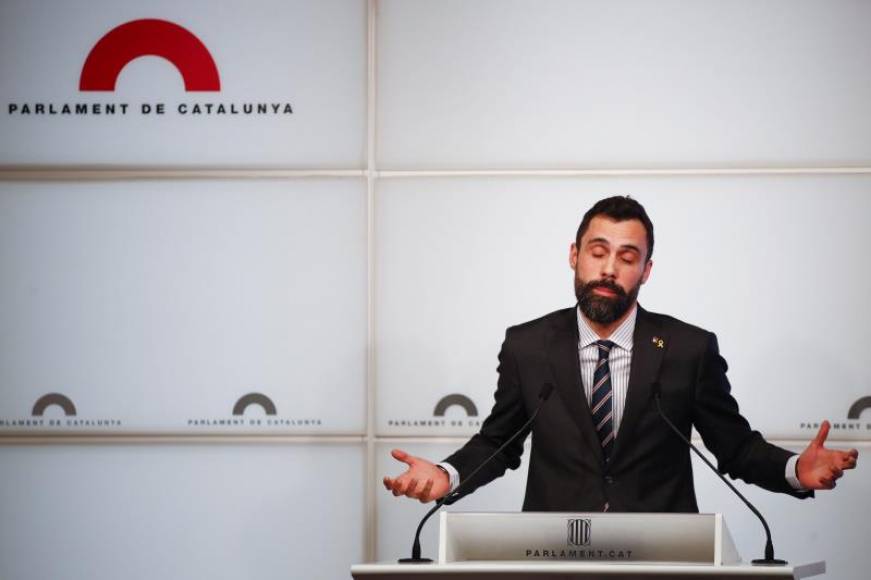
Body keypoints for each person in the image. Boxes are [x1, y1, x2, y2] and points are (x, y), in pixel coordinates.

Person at [383, 196, 859, 511]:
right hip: (553, 557)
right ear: (574, 255)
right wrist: (448, 475)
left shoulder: (688, 349)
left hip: (664, 562)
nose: (609, 269)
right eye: (597, 251)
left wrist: (796, 470)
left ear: (646, 270)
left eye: (627, 258)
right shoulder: (528, 346)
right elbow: (499, 443)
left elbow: (733, 447)